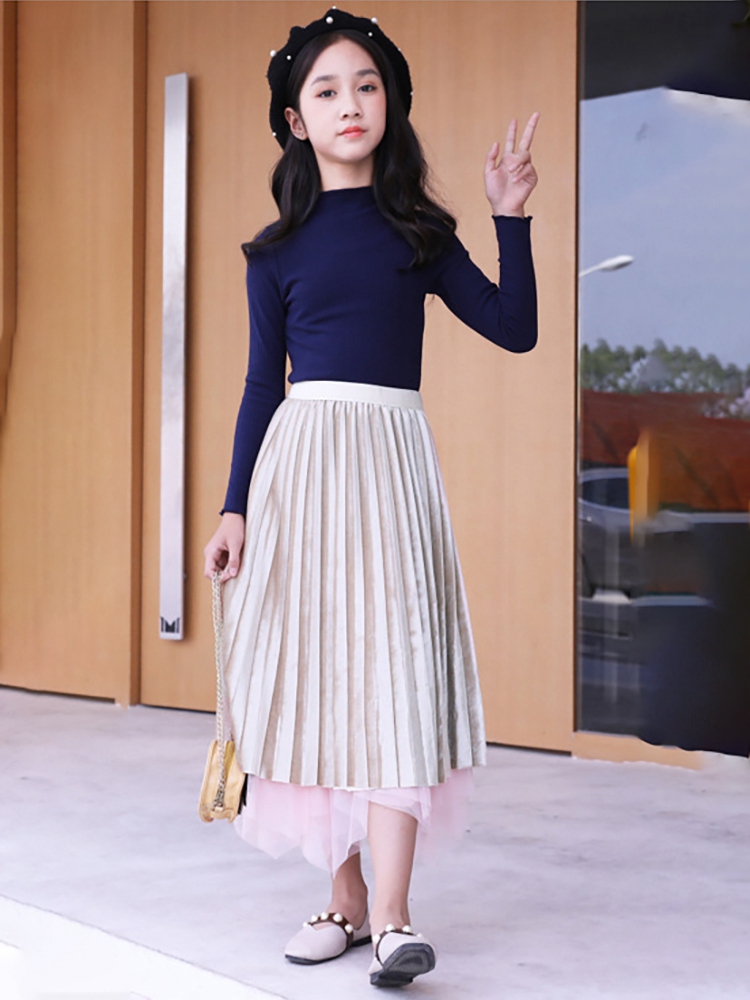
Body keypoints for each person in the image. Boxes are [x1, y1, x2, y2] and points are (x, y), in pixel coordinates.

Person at [203, 7, 539, 988]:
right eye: (326, 90)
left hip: (391, 468)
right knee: (319, 680)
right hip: (301, 474)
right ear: (295, 120)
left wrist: (510, 215)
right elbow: (261, 386)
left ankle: (392, 916)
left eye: (366, 85)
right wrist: (234, 508)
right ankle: (345, 898)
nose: (350, 103)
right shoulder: (274, 254)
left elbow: (515, 328)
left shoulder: (419, 235)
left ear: (389, 105)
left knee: (393, 675)